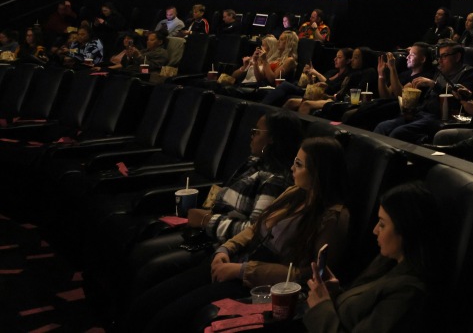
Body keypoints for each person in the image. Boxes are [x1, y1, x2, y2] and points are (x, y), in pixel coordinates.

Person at [127, 136, 350, 333]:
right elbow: (256, 228)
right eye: (294, 161)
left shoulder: (332, 217)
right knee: (149, 301)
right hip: (237, 260)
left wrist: (241, 271)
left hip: (257, 284)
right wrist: (226, 249)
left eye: (299, 165)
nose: (292, 168)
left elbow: (309, 276)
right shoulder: (295, 191)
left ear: (319, 172)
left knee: (167, 320)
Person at [122, 111, 303, 298]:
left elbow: (256, 231)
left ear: (272, 139)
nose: (251, 135)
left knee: (151, 271)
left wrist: (207, 220)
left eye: (256, 131)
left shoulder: (275, 181)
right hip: (213, 237)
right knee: (141, 253)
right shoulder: (255, 163)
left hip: (225, 248)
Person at [304, 181, 442, 333]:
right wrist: (335, 294)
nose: (375, 230)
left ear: (406, 231)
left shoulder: (408, 294)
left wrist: (321, 307)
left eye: (382, 224)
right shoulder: (388, 262)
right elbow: (359, 313)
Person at [373, 40, 473, 143]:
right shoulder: (440, 73)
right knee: (382, 127)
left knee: (398, 133)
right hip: (421, 113)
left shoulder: (469, 74)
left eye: (444, 56)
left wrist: (434, 85)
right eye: (439, 56)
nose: (439, 60)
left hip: (440, 118)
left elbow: (460, 99)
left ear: (457, 57)